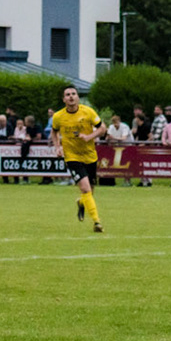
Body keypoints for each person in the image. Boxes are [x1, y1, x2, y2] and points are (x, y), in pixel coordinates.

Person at [51, 85, 105, 233]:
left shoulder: (88, 112)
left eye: (73, 94)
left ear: (77, 97)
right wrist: (57, 147)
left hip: (90, 155)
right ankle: (97, 222)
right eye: (67, 94)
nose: (71, 96)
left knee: (90, 193)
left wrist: (89, 137)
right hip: (72, 157)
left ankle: (81, 202)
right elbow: (54, 132)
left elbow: (102, 128)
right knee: (85, 188)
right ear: (64, 99)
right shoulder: (58, 116)